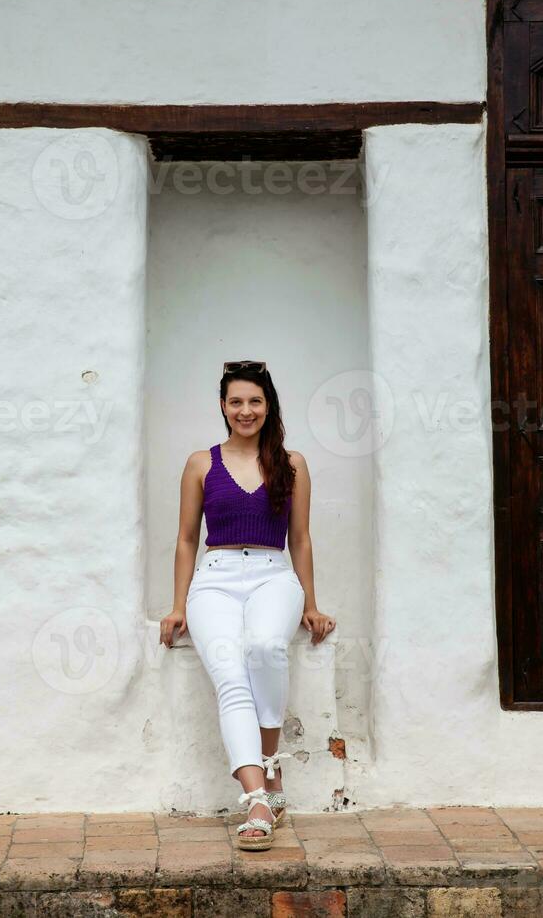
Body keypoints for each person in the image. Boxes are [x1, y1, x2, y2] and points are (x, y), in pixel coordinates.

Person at [159, 360, 336, 851]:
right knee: (229, 674)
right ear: (222, 406)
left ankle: (271, 762)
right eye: (236, 401)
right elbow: (186, 538)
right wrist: (178, 606)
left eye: (254, 401)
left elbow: (299, 539)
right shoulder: (201, 462)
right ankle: (258, 797)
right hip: (213, 580)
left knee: (264, 648)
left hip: (273, 576)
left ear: (268, 405)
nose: (245, 410)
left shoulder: (292, 463)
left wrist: (311, 603)